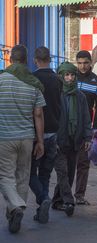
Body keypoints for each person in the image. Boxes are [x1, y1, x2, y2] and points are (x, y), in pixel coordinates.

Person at [0, 45, 45, 233]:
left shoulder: (1, 80)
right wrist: (40, 141)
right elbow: (38, 114)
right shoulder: (33, 83)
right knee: (22, 176)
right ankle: (14, 212)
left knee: (5, 176)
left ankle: (16, 206)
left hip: (4, 138)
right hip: (27, 138)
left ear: (10, 59)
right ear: (26, 60)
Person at [52, 62, 92, 216]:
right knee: (62, 172)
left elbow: (86, 118)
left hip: (75, 140)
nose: (69, 78)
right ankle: (69, 201)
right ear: (61, 76)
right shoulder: (57, 95)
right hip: (59, 140)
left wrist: (87, 137)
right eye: (66, 75)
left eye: (72, 75)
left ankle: (57, 201)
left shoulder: (80, 96)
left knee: (69, 174)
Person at [29, 46, 62, 224]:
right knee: (46, 173)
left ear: (35, 60)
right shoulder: (58, 79)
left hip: (37, 135)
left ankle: (43, 199)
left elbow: (35, 112)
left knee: (29, 173)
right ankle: (43, 207)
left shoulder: (32, 80)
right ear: (50, 59)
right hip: (54, 133)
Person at [75, 50, 97, 204]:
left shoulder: (96, 81)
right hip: (68, 129)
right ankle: (61, 197)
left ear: (90, 63)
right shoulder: (69, 77)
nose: (82, 66)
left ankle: (79, 196)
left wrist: (96, 128)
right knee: (65, 165)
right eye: (79, 63)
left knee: (83, 164)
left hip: (85, 130)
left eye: (85, 63)